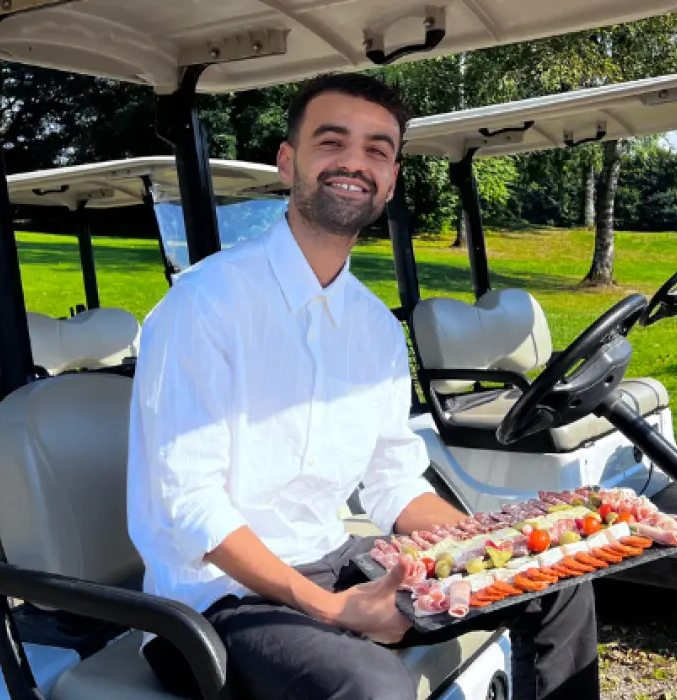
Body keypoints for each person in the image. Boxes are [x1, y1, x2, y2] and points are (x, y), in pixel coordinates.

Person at [126, 72, 599, 700]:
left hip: (336, 560)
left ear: (391, 178)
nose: (355, 163)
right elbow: (192, 514)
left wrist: (493, 548)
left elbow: (393, 482)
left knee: (557, 579)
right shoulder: (204, 306)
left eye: (377, 150)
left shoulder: (374, 326)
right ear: (288, 161)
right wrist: (332, 608)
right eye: (332, 142)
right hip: (214, 602)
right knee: (371, 687)